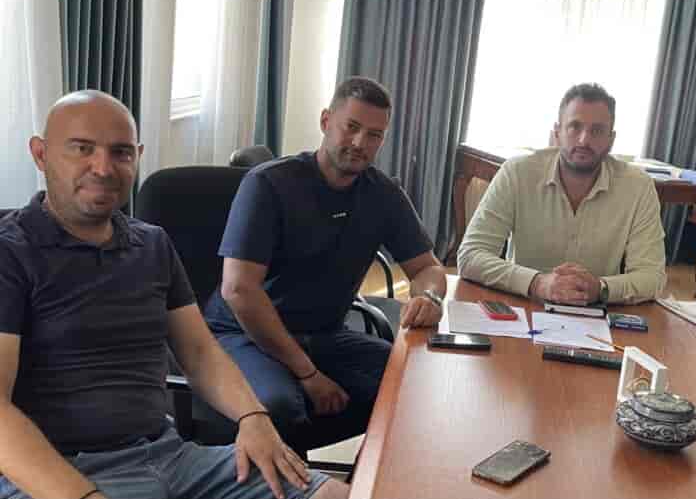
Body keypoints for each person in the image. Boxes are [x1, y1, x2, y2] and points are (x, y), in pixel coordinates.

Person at [0, 90, 345, 499]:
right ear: (40, 154)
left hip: (171, 459)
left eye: (121, 152)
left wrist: (253, 417)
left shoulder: (152, 244)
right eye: (82, 149)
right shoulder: (11, 253)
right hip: (60, 473)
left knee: (336, 495)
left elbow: (199, 352)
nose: (103, 168)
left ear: (138, 156)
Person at [203, 76, 446, 451]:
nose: (360, 143)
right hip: (244, 333)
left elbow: (428, 268)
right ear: (326, 121)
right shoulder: (268, 184)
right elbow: (239, 290)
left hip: (322, 334)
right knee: (280, 406)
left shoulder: (383, 194)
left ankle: (370, 477)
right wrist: (308, 374)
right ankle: (280, 480)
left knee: (416, 382)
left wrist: (429, 297)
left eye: (374, 135)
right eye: (352, 127)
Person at [458, 83, 666, 305]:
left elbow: (652, 277)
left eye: (597, 131)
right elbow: (471, 255)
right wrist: (537, 283)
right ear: (557, 133)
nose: (584, 140)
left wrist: (601, 288)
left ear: (611, 139)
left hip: (598, 312)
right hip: (524, 306)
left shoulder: (638, 187)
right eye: (575, 127)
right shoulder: (517, 173)